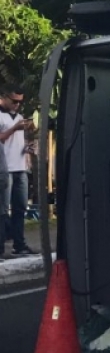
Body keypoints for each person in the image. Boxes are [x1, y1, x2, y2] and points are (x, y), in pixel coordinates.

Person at [0, 84, 37, 256]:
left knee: (20, 208)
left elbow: (19, 142)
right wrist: (14, 128)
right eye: (14, 101)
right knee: (2, 209)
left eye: (20, 102)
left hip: (20, 167)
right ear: (4, 98)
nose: (17, 105)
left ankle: (19, 244)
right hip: (4, 169)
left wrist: (29, 147)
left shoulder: (20, 117)